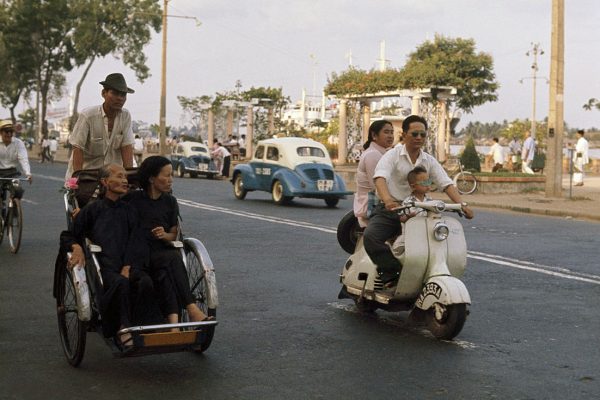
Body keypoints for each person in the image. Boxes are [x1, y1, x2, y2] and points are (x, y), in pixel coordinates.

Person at [363, 115, 474, 288]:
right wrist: (388, 200)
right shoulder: (392, 156)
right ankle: (391, 272)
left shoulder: (428, 160)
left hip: (422, 212)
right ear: (405, 134)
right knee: (371, 237)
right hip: (393, 209)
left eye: (423, 135)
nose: (419, 138)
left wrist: (462, 204)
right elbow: (380, 177)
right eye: (415, 134)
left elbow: (445, 183)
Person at [61, 164, 161, 346]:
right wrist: (76, 247)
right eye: (119, 176)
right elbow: (68, 234)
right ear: (105, 182)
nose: (124, 180)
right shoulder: (93, 209)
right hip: (104, 266)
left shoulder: (130, 210)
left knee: (145, 281)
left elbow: (137, 240)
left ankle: (143, 327)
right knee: (120, 283)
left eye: (125, 177)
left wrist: (128, 266)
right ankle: (122, 327)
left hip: (129, 264)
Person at [126, 156, 212, 324]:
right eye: (166, 175)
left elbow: (173, 234)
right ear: (152, 178)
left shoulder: (170, 202)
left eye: (171, 175)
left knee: (167, 268)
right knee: (172, 257)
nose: (170, 180)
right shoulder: (133, 200)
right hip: (140, 253)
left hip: (161, 251)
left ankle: (173, 324)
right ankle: (191, 308)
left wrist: (164, 235)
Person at [65, 73, 135, 179]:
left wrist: (129, 178)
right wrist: (78, 179)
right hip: (87, 174)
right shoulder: (88, 116)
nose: (120, 98)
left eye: (123, 95)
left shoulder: (125, 116)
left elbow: (127, 147)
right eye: (115, 93)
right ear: (104, 93)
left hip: (112, 178)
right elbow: (78, 148)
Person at [353, 120, 394, 228]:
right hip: (371, 206)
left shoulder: (381, 153)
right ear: (374, 135)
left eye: (391, 132)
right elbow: (377, 186)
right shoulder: (373, 155)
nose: (390, 136)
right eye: (386, 132)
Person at [392, 166, 433, 257]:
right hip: (410, 234)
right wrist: (408, 217)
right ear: (413, 186)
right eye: (424, 183)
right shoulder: (408, 202)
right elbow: (401, 218)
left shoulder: (430, 201)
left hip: (426, 233)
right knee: (397, 249)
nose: (428, 185)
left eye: (428, 181)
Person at [0, 120, 32, 199]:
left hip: (12, 173)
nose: (9, 134)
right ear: (0, 132)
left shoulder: (18, 143)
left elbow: (23, 159)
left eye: (11, 131)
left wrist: (28, 173)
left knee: (18, 191)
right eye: (6, 131)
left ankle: (14, 207)